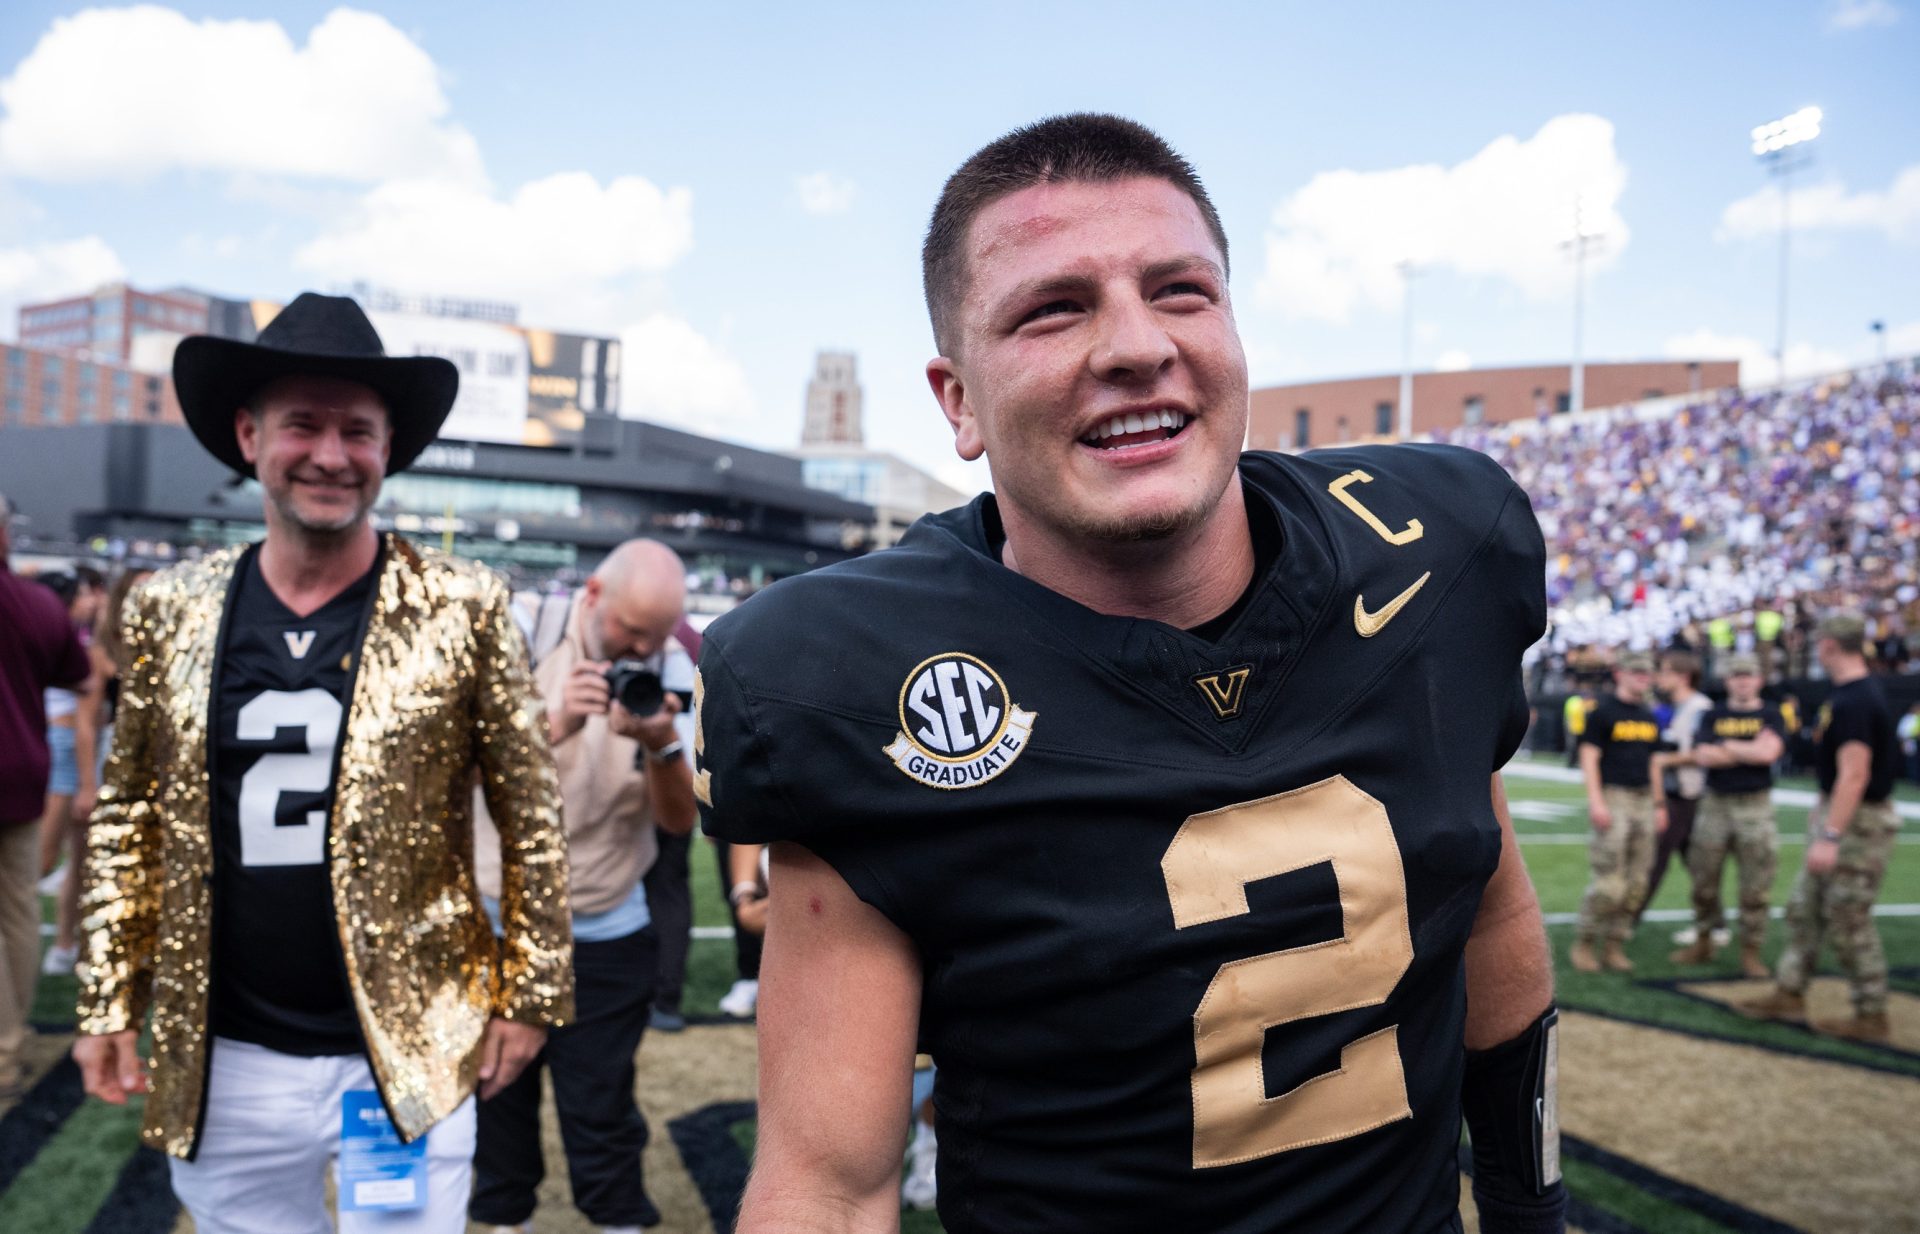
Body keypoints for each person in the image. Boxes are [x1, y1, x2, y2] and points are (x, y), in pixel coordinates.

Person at [697, 115, 1564, 1233]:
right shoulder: (848, 675)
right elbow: (828, 1181)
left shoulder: (1436, 549)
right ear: (956, 400)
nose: (1135, 344)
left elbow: (1487, 903)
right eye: (1054, 308)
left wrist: (1528, 1208)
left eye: (1181, 291)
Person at [71, 292, 574, 1233]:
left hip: (413, 1038)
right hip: (227, 1051)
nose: (332, 455)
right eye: (304, 424)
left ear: (390, 449)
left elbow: (531, 815)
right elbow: (129, 813)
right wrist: (106, 995)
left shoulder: (462, 604)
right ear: (248, 434)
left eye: (359, 431)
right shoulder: (170, 607)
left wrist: (533, 991)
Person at [470, 538, 697, 1234]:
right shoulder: (516, 630)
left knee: (600, 1103)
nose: (641, 649)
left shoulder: (674, 664)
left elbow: (679, 821)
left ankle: (617, 1220)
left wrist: (660, 745)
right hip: (495, 918)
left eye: (655, 636)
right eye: (632, 630)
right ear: (592, 594)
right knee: (494, 1094)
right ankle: (505, 1220)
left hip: (603, 925)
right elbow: (457, 775)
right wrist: (556, 721)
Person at [1739, 612, 1904, 1042]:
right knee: (1805, 911)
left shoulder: (1856, 700)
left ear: (1830, 645)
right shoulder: (1850, 694)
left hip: (1858, 825)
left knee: (1849, 920)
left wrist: (1832, 834)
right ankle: (1789, 991)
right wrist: (1823, 805)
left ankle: (1872, 1013)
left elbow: (1856, 773)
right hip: (1843, 813)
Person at [0, 494, 93, 1097]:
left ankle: (4, 1052)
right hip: (25, 771)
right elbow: (83, 679)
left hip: (29, 769)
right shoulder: (36, 603)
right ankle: (12, 1038)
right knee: (16, 911)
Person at [1664, 653, 1785, 976]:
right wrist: (1747, 749)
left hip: (1756, 805)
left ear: (1759, 679)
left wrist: (1727, 747)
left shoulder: (1772, 714)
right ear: (1728, 680)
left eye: (1749, 675)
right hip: (1715, 805)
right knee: (1703, 880)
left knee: (1756, 886)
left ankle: (1750, 950)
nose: (1743, 681)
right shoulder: (1712, 715)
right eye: (1736, 676)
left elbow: (1768, 754)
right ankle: (1703, 939)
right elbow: (1704, 755)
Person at [1571, 652, 1666, 974]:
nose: (1642, 678)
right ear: (1619, 673)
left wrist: (1659, 803)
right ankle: (1585, 942)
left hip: (1643, 800)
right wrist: (1596, 801)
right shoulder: (1603, 711)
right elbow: (1589, 756)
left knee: (1638, 881)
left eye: (1646, 673)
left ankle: (1615, 944)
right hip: (1615, 796)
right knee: (1609, 881)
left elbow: (1654, 762)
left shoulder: (1648, 714)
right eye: (1636, 672)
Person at [36, 567, 107, 978]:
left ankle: (66, 945)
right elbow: (84, 719)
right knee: (41, 859)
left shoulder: (63, 635)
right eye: (82, 594)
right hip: (64, 750)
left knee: (66, 860)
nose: (90, 600)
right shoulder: (72, 641)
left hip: (60, 746)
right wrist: (87, 782)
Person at [1637, 652, 1711, 933]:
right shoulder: (1675, 707)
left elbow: (1704, 751)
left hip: (1686, 793)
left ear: (1683, 676)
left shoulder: (1699, 707)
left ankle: (1629, 920)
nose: (1659, 678)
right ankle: (1713, 923)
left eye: (1665, 672)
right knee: (1696, 864)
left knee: (1655, 859)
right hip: (1675, 790)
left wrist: (1666, 760)